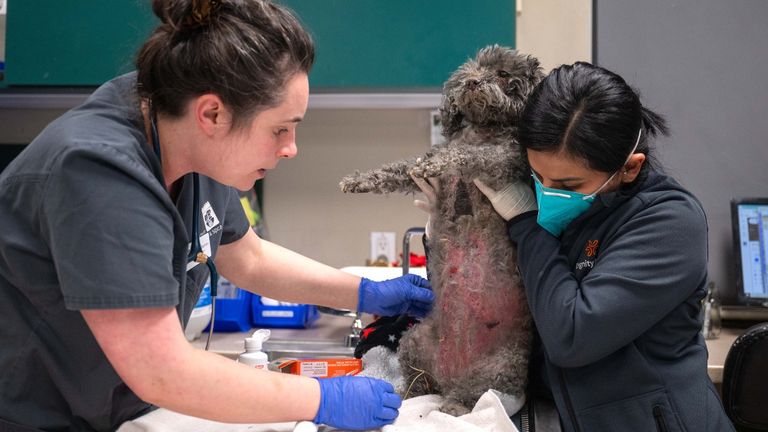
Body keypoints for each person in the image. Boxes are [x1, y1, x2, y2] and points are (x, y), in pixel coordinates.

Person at [0, 1, 434, 430]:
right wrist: (321, 398)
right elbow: (162, 371)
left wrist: (367, 292)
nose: (290, 148)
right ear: (212, 114)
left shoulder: (187, 139)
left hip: (113, 409)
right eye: (279, 129)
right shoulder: (98, 173)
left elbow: (249, 259)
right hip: (33, 417)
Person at [417, 62, 734, 431]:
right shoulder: (556, 209)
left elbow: (572, 336)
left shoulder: (670, 223)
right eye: (537, 176)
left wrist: (523, 222)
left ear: (629, 168)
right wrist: (449, 236)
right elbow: (486, 310)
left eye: (568, 185)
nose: (548, 193)